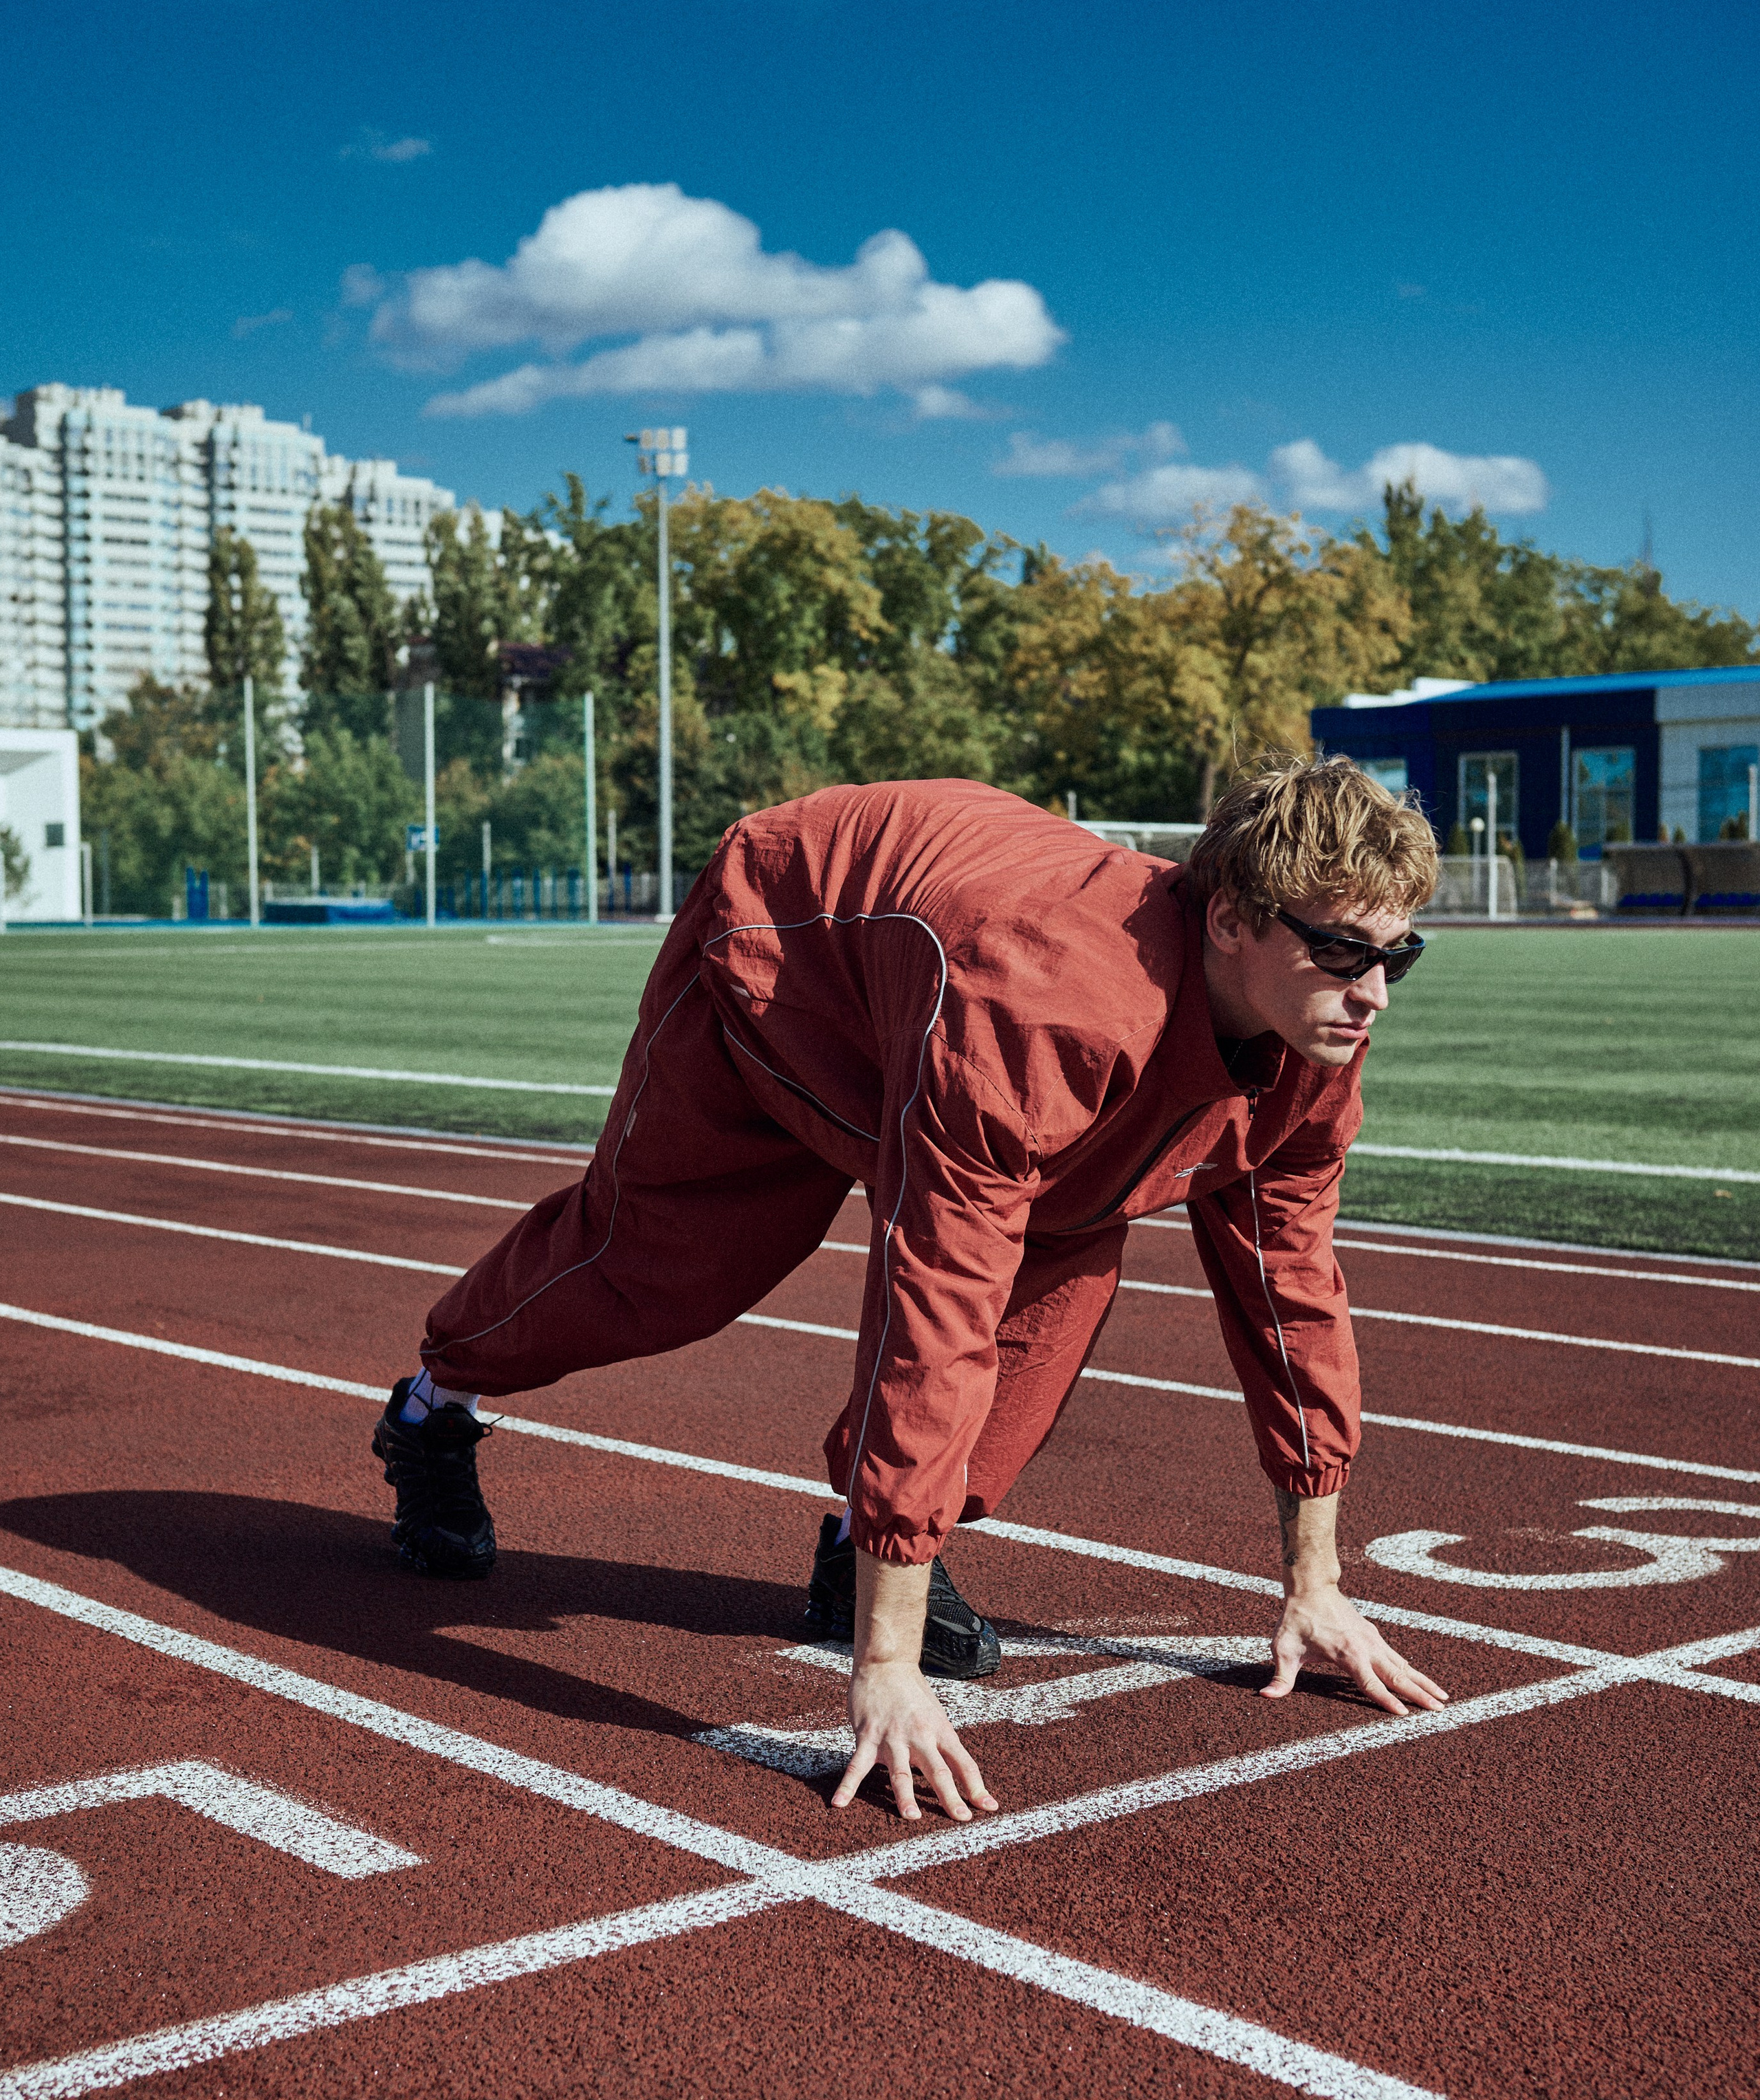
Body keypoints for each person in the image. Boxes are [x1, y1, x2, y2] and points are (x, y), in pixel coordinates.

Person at [372, 756, 1448, 1822]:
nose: (1376, 994)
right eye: (1343, 950)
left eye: (1401, 953)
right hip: (791, 953)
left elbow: (1290, 1293)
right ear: (1230, 921)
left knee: (1067, 1257)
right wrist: (886, 1666)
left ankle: (855, 1555)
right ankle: (436, 1401)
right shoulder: (1045, 1008)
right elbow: (935, 1296)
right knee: (663, 1270)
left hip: (950, 975)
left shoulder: (1319, 1036)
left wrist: (1318, 1584)